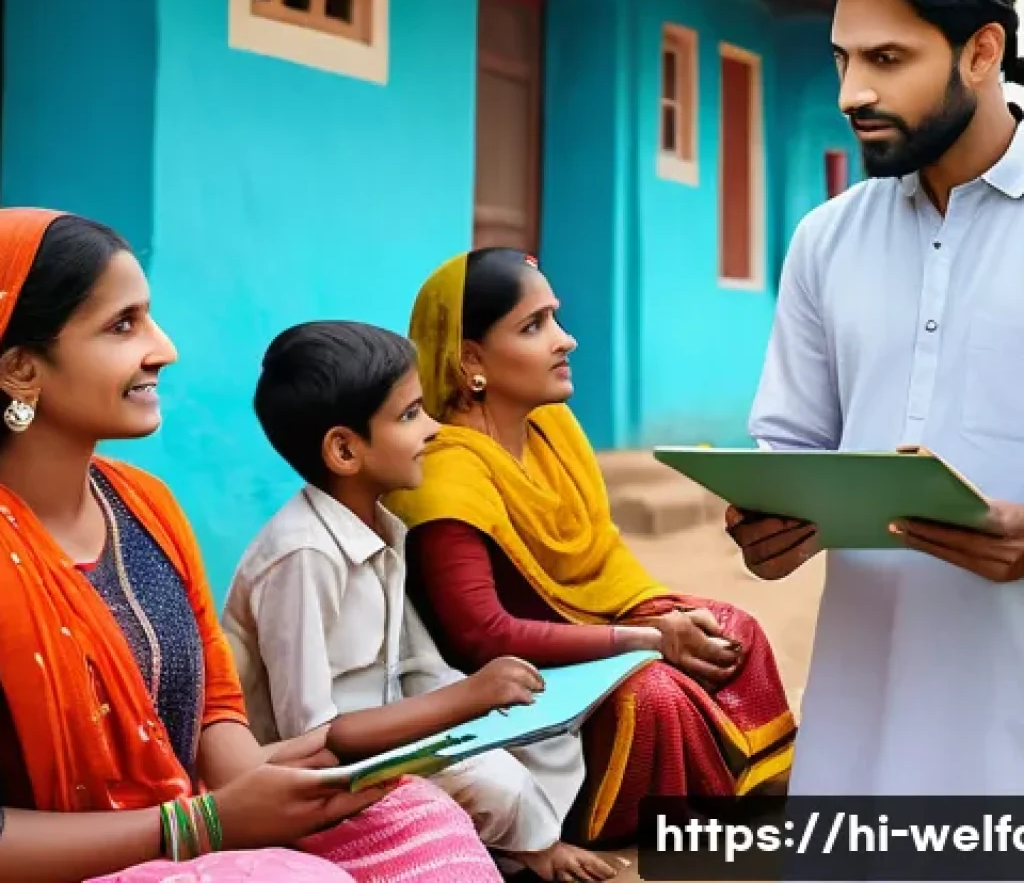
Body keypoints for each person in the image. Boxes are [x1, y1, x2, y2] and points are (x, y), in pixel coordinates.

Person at [0, 208, 504, 883]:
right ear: (20, 369)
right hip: (83, 862)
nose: (163, 348)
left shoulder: (145, 508)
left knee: (420, 817)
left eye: (149, 317)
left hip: (185, 827)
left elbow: (220, 731)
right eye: (122, 325)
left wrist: (321, 776)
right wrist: (201, 825)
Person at [730, 0, 1024, 796]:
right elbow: (788, 447)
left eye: (887, 60)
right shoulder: (824, 240)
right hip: (865, 723)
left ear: (982, 51)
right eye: (843, 59)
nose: (853, 91)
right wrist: (765, 525)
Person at [384, 249, 797, 847]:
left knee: (732, 631)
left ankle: (758, 799)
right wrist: (648, 640)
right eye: (534, 326)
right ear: (471, 359)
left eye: (556, 317)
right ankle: (613, 824)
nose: (567, 340)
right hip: (510, 678)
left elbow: (599, 559)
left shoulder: (551, 429)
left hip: (589, 628)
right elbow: (481, 636)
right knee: (655, 696)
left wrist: (663, 623)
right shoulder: (447, 476)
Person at [222, 320, 624, 883]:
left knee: (547, 742)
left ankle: (534, 847)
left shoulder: (385, 530)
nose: (434, 429)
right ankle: (530, 854)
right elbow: (307, 736)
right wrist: (464, 702)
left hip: (388, 746)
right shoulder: (301, 556)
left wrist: (484, 703)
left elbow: (422, 671)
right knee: (496, 782)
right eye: (411, 415)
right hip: (321, 777)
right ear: (344, 449)